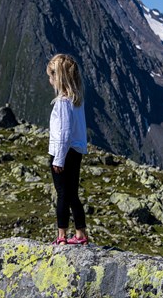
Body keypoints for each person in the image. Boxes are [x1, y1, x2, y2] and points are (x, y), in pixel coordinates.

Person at [46, 54, 89, 246]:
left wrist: (58, 159)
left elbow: (63, 132)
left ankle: (61, 235)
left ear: (59, 77)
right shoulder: (76, 101)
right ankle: (81, 233)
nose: (49, 80)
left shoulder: (62, 103)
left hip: (62, 152)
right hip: (76, 151)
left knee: (62, 194)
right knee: (73, 194)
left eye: (51, 76)